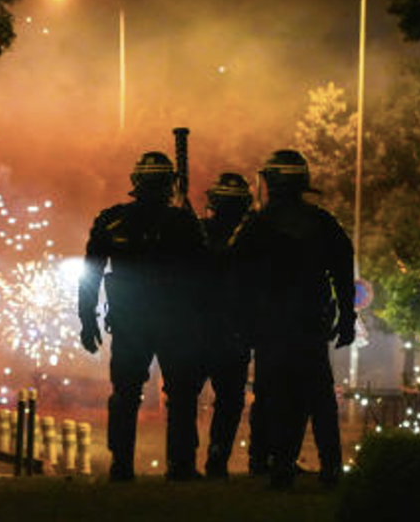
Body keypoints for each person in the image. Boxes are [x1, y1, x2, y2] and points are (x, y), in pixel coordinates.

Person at [231, 149, 356, 489]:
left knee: (274, 397)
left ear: (270, 182)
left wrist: (242, 327)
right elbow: (344, 275)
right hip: (311, 325)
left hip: (270, 327)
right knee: (318, 397)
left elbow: (236, 279)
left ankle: (281, 467)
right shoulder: (324, 224)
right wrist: (347, 319)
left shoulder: (256, 226)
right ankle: (331, 467)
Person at [78, 151, 206, 482]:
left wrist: (87, 319)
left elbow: (90, 275)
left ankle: (122, 466)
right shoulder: (183, 222)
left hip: (131, 322)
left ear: (136, 181)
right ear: (169, 184)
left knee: (126, 395)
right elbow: (205, 277)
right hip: (173, 323)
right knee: (180, 396)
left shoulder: (113, 219)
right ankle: (180, 467)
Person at [197, 172, 260, 478]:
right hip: (233, 332)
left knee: (185, 400)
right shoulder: (251, 239)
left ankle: (181, 462)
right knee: (230, 401)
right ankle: (216, 460)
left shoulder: (196, 232)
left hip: (199, 330)